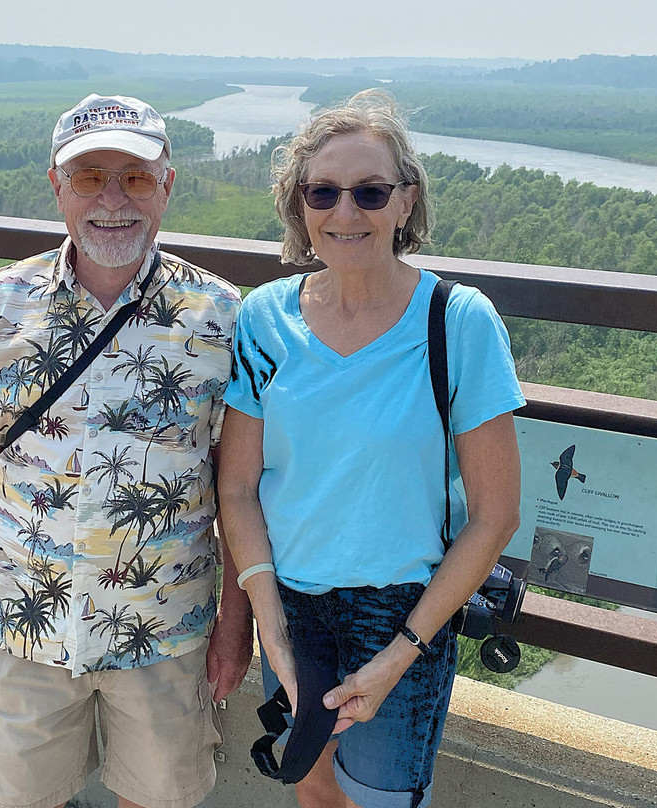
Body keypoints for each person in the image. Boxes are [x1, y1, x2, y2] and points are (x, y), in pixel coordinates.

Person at [0, 93, 253, 808]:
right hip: (22, 626)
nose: (113, 200)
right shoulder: (0, 302)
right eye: (89, 177)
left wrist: (237, 632)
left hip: (165, 631)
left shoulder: (224, 317)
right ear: (57, 186)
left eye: (136, 177)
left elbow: (240, 491)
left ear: (168, 185)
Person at [218, 89, 525, 808]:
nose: (345, 212)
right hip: (289, 604)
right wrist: (274, 629)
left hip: (403, 614)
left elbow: (495, 515)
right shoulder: (264, 318)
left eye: (370, 190)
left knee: (381, 802)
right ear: (299, 206)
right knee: (313, 788)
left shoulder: (459, 321)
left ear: (406, 201)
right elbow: (236, 487)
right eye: (322, 191)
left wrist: (398, 658)